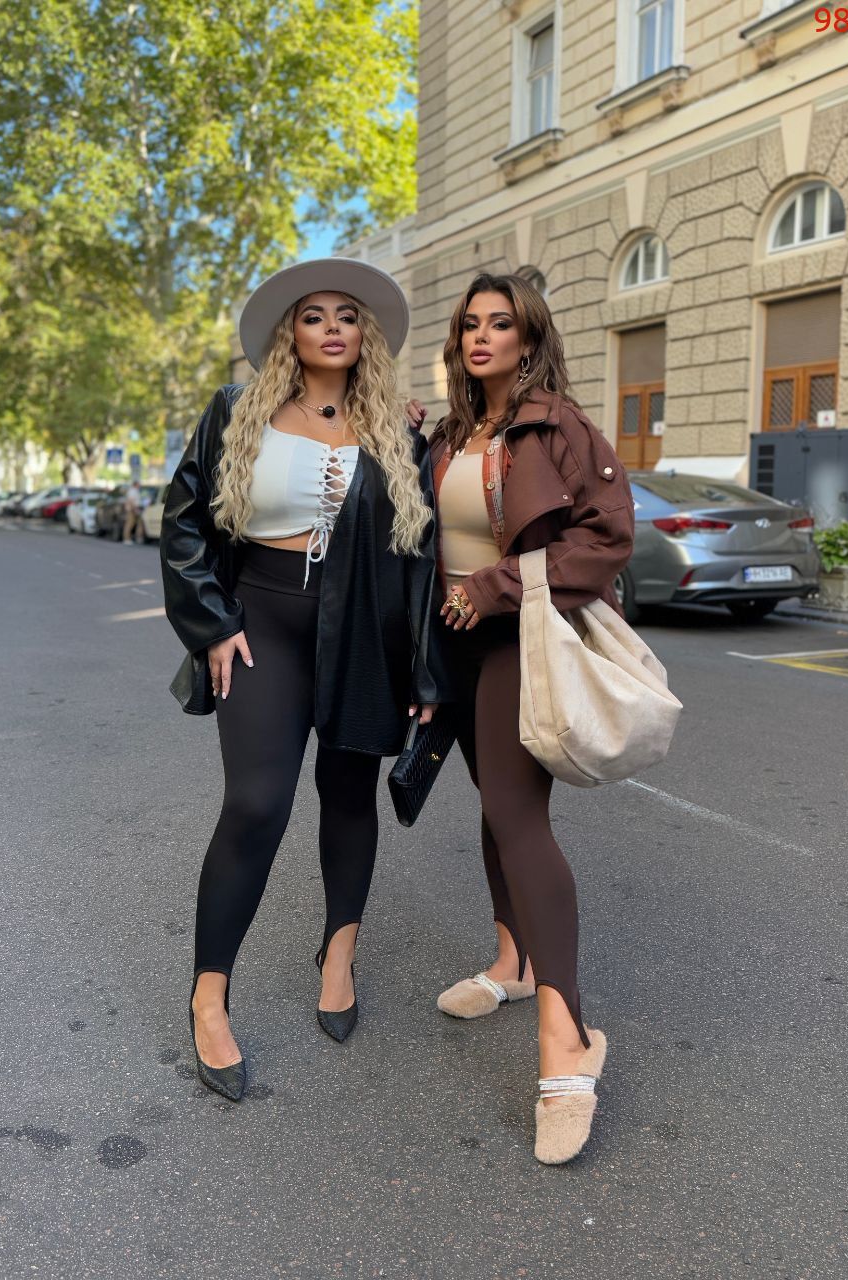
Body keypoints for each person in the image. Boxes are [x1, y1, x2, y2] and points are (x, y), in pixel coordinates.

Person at [160, 258, 440, 1101]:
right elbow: (185, 523)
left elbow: (420, 557)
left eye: (346, 315)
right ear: (291, 331)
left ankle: (339, 954)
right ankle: (209, 997)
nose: (331, 327)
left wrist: (423, 667)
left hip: (363, 629)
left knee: (349, 793)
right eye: (313, 314)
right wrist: (212, 621)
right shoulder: (235, 409)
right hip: (262, 623)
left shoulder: (395, 428)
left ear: (364, 335)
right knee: (256, 803)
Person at [406, 272, 634, 1164]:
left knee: (517, 816)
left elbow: (606, 539)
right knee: (492, 812)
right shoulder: (453, 435)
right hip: (456, 649)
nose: (481, 336)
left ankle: (568, 1040)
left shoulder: (557, 426)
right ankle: (513, 963)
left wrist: (495, 586)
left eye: (500, 324)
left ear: (529, 338)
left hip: (519, 640)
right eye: (470, 323)